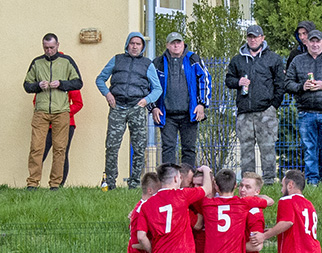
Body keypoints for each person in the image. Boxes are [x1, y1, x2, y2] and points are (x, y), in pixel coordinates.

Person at [96, 32, 163, 189]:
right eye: (132, 43)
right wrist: (107, 94)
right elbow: (100, 79)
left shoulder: (147, 64)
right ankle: (110, 183)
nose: (135, 46)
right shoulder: (117, 60)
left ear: (142, 47)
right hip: (117, 107)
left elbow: (157, 88)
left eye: (138, 44)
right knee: (112, 146)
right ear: (127, 45)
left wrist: (146, 100)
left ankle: (134, 183)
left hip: (137, 109)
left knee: (139, 147)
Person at [225, 25, 285, 186]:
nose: (253, 39)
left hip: (266, 111)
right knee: (246, 149)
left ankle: (269, 181)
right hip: (244, 112)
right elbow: (228, 80)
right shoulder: (237, 60)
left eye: (256, 37)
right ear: (247, 38)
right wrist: (238, 82)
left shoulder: (273, 59)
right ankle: (248, 183)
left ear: (262, 38)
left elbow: (280, 84)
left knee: (267, 148)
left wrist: (273, 106)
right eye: (250, 37)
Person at [286, 30, 322, 185]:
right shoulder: (298, 61)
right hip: (306, 112)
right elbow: (287, 83)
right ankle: (312, 180)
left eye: (317, 41)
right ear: (307, 43)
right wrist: (302, 87)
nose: (314, 44)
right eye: (311, 41)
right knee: (309, 149)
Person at [24, 33, 83, 190]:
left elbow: (78, 82)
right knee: (36, 148)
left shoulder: (67, 61)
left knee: (60, 149)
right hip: (41, 111)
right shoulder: (37, 63)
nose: (48, 51)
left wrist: (62, 84)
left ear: (58, 45)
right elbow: (27, 85)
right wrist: (38, 85)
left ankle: (55, 184)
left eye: (51, 47)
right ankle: (32, 183)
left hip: (61, 111)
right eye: (45, 48)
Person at [151, 32, 212, 167]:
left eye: (178, 42)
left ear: (183, 44)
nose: (176, 45)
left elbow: (205, 80)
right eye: (172, 43)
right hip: (166, 114)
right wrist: (153, 107)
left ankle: (187, 182)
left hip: (189, 113)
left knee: (189, 149)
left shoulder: (193, 59)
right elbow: (150, 85)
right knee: (168, 149)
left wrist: (202, 104)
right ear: (167, 45)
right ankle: (168, 182)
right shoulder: (158, 63)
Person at [34, 83, 83, 188]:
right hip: (46, 125)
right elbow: (36, 101)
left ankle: (58, 186)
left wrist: (62, 114)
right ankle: (33, 184)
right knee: (39, 152)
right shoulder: (45, 83)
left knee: (62, 154)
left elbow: (78, 103)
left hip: (66, 124)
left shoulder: (68, 83)